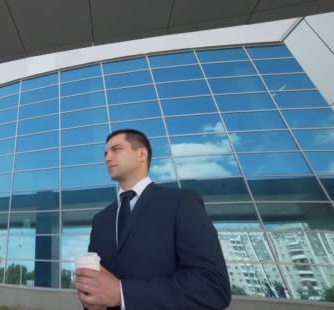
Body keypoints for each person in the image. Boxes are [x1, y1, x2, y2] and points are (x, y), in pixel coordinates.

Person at [75, 129, 231, 310]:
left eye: (116, 150)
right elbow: (99, 285)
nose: (107, 158)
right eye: (105, 153)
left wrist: (122, 293)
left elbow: (212, 286)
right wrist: (90, 299)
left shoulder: (181, 202)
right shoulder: (100, 220)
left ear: (141, 154)